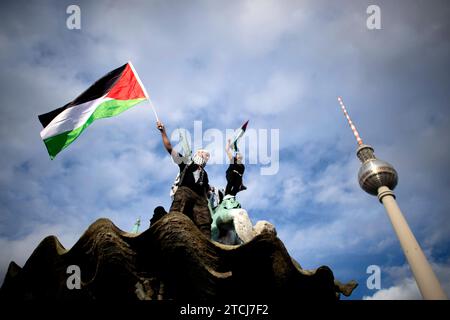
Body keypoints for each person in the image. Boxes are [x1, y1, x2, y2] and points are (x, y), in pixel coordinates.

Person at [157, 121, 212, 238]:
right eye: (203, 153)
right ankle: (170, 235)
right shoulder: (187, 162)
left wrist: (209, 191)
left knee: (205, 223)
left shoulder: (205, 174)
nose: (205, 156)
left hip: (200, 199)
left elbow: (206, 190)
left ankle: (207, 244)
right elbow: (169, 148)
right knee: (176, 213)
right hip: (185, 191)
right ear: (197, 154)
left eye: (207, 156)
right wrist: (163, 132)